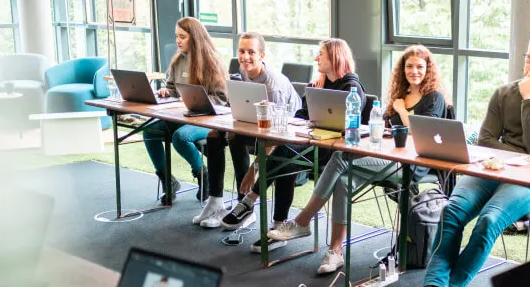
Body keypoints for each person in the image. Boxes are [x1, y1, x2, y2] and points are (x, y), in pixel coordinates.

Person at [395, 33, 530, 287]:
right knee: (451, 211)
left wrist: (529, 99)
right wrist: (516, 153)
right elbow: (484, 141)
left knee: (488, 220)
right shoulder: (503, 92)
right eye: (529, 58)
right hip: (492, 168)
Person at [267, 44, 448, 274]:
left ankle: (302, 221)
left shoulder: (434, 98)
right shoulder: (400, 95)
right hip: (386, 155)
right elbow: (384, 128)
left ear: (428, 69)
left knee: (341, 157)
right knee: (343, 178)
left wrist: (402, 111)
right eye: (409, 66)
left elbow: (423, 132)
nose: (414, 71)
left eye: (420, 67)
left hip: (411, 166)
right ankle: (335, 252)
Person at [212, 38, 365, 253]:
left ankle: (250, 201)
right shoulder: (318, 83)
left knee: (285, 155)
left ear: (335, 57)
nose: (316, 58)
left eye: (321, 54)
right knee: (285, 159)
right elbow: (301, 114)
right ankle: (278, 228)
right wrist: (306, 121)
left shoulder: (352, 88)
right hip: (310, 142)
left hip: (331, 152)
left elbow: (351, 127)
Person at [192, 32, 301, 228]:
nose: (245, 57)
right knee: (215, 135)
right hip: (256, 125)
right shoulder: (243, 72)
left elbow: (274, 138)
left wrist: (253, 171)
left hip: (285, 136)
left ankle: (245, 206)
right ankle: (215, 200)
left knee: (236, 137)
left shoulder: (272, 86)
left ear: (262, 56)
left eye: (251, 52)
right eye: (242, 51)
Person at [142, 17, 228, 204]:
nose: (177, 41)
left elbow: (222, 99)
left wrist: (194, 99)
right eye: (176, 36)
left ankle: (202, 173)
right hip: (182, 116)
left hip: (208, 120)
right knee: (149, 131)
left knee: (180, 137)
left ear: (195, 38)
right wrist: (167, 92)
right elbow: (173, 88)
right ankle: (168, 181)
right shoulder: (178, 61)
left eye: (182, 37)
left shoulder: (212, 63)